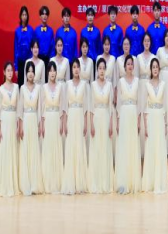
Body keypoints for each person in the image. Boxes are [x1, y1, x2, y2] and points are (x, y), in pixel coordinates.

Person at [113, 56, 142, 194]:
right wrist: (118, 121)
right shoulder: (120, 81)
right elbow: (118, 103)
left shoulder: (137, 81)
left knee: (133, 145)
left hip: (133, 113)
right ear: (124, 67)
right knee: (124, 146)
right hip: (124, 114)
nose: (130, 66)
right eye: (128, 64)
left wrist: (138, 120)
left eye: (131, 64)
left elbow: (140, 103)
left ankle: (133, 181)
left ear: (133, 67)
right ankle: (123, 182)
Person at [141, 59, 168, 194]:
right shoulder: (147, 85)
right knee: (151, 148)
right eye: (153, 67)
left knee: (160, 148)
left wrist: (166, 123)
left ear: (159, 69)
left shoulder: (164, 84)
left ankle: (160, 182)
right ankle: (150, 182)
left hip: (160, 118)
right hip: (151, 118)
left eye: (157, 67)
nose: (155, 69)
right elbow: (144, 107)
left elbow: (165, 105)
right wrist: (145, 125)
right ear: (151, 70)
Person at [61, 59, 89, 195]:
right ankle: (71, 181)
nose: (76, 69)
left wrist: (86, 123)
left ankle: (80, 183)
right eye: (74, 67)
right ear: (71, 70)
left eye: (78, 67)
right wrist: (64, 123)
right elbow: (65, 107)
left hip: (80, 117)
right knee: (71, 147)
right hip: (71, 117)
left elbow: (86, 107)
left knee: (80, 146)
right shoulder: (67, 85)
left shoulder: (85, 85)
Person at [87, 59, 115, 194]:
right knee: (96, 148)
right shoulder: (92, 85)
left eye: (104, 68)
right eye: (100, 68)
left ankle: (106, 182)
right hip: (96, 119)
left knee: (105, 148)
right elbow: (91, 106)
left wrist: (111, 124)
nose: (102, 71)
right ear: (97, 70)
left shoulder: (109, 85)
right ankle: (95, 181)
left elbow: (111, 107)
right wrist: (91, 124)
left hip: (106, 118)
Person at [0, 62, 20, 197]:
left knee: (13, 150)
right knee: (5, 150)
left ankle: (13, 183)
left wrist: (18, 125)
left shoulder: (16, 88)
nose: (10, 73)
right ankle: (4, 183)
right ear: (4, 72)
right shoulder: (0, 89)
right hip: (4, 122)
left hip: (13, 120)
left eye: (12, 70)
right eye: (8, 70)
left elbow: (19, 108)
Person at [17, 61, 43, 196]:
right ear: (26, 73)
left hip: (34, 121)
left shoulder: (39, 88)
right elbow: (20, 109)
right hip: (26, 121)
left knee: (34, 150)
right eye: (29, 71)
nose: (31, 74)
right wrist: (20, 126)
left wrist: (40, 125)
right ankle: (26, 183)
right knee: (26, 150)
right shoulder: (22, 88)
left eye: (33, 71)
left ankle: (34, 183)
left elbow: (40, 108)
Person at [40, 62, 65, 194]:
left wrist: (62, 122)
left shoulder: (60, 87)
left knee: (56, 147)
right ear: (47, 73)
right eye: (50, 70)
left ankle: (57, 181)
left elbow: (62, 107)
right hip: (48, 120)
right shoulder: (43, 87)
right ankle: (47, 182)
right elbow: (42, 108)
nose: (52, 73)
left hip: (56, 119)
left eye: (54, 70)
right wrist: (42, 124)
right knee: (48, 149)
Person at [14, 6, 34, 84]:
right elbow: (16, 49)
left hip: (29, 61)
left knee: (29, 83)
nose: (24, 16)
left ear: (27, 16)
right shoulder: (17, 31)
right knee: (21, 84)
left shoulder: (31, 30)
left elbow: (33, 47)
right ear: (20, 16)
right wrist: (16, 68)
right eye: (23, 15)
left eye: (25, 15)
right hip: (20, 62)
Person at [36, 5, 55, 71]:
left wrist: (51, 60)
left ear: (48, 16)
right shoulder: (36, 31)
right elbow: (34, 47)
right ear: (40, 16)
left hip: (48, 59)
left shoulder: (50, 31)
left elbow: (52, 48)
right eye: (43, 14)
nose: (44, 16)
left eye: (46, 14)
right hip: (38, 59)